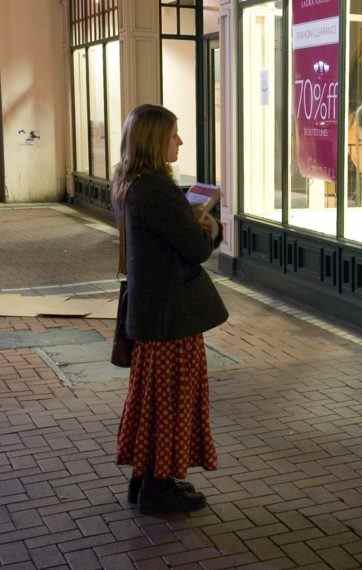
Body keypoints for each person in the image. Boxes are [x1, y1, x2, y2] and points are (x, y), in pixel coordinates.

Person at [112, 104, 229, 513]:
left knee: (153, 402)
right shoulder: (157, 189)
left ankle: (146, 480)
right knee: (171, 402)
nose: (179, 141)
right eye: (174, 134)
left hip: (151, 313)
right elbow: (195, 249)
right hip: (170, 316)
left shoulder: (131, 183)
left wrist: (186, 215)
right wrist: (205, 222)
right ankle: (157, 489)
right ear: (155, 140)